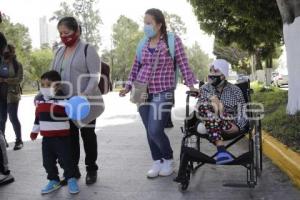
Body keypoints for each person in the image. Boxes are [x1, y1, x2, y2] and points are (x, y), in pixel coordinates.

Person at [119, 8, 198, 178]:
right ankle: (157, 160)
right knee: (149, 129)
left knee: (155, 129)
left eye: (149, 23)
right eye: (144, 23)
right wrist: (127, 86)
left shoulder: (171, 40)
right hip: (141, 90)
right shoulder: (143, 43)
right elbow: (135, 67)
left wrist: (191, 85)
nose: (145, 26)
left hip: (163, 90)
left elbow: (183, 63)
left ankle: (168, 158)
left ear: (159, 24)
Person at [174, 59, 249, 182]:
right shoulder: (205, 88)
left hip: (228, 124)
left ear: (224, 74)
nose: (212, 74)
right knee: (204, 108)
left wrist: (238, 126)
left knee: (208, 120)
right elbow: (199, 108)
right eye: (211, 71)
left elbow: (242, 111)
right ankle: (221, 149)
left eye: (216, 71)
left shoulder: (235, 90)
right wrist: (213, 100)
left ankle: (221, 149)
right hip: (207, 122)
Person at [51, 17, 104, 185]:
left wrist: (84, 94)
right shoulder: (59, 51)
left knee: (88, 136)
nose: (64, 36)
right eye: (61, 33)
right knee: (70, 138)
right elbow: (53, 75)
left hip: (84, 103)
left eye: (67, 32)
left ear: (77, 31)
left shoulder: (88, 49)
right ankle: (72, 171)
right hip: (65, 104)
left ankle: (91, 169)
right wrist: (48, 92)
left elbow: (95, 75)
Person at [30, 70, 79, 194]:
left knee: (66, 160)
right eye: (42, 85)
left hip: (62, 137)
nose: (45, 88)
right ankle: (53, 180)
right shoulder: (40, 101)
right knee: (47, 161)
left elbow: (74, 114)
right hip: (47, 139)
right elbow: (38, 118)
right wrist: (34, 131)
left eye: (48, 85)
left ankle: (71, 179)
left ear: (58, 86)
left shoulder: (65, 101)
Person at [0, 43, 23, 150]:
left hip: (12, 95)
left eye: (7, 51)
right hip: (1, 95)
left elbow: (19, 79)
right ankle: (2, 141)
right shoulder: (0, 63)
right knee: (1, 119)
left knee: (13, 117)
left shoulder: (17, 65)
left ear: (12, 52)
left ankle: (19, 140)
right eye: (4, 51)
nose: (5, 53)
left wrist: (5, 80)